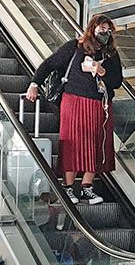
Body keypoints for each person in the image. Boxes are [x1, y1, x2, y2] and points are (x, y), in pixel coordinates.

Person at [26, 14, 123, 206]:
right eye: (101, 29)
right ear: (92, 29)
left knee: (97, 144)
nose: (105, 33)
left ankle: (87, 186)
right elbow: (50, 63)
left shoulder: (111, 54)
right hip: (75, 102)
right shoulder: (75, 47)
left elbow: (116, 81)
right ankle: (68, 187)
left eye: (108, 29)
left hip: (99, 104)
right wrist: (34, 83)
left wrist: (101, 71)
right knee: (72, 143)